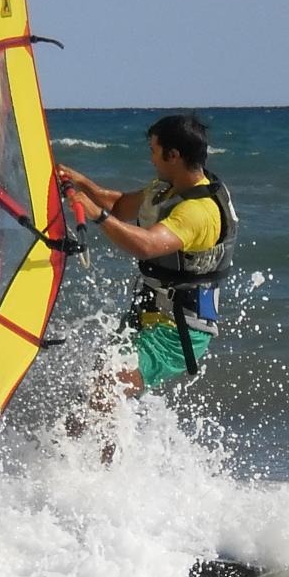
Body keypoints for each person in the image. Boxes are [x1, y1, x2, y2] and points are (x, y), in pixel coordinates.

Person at [60, 112, 239, 399]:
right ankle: (91, 433)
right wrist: (82, 184)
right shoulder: (169, 188)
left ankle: (105, 431)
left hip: (179, 332)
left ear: (174, 155)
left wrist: (97, 216)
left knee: (109, 384)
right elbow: (121, 206)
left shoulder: (198, 211)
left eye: (154, 151)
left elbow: (146, 245)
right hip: (149, 315)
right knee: (98, 383)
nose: (151, 158)